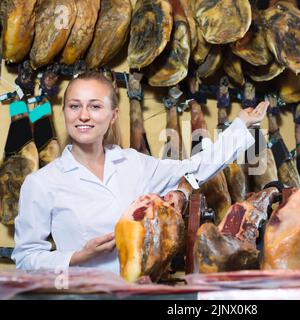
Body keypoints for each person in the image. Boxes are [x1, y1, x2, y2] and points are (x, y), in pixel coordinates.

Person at [12, 71, 269, 274]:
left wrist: (241, 126)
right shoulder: (43, 182)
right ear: (65, 112)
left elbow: (195, 168)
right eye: (74, 106)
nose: (83, 116)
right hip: (84, 296)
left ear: (113, 116)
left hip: (138, 291)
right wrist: (78, 256)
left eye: (95, 107)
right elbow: (26, 258)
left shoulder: (133, 164)